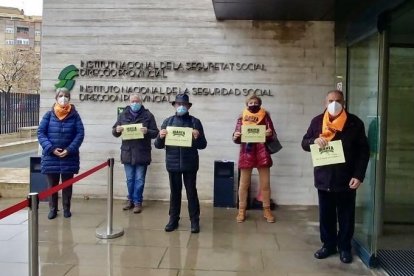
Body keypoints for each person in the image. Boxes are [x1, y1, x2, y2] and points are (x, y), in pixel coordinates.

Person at [301, 90, 369, 264]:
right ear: (325, 102)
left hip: (346, 178)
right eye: (331, 100)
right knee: (326, 215)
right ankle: (328, 245)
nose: (334, 103)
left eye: (338, 100)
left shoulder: (354, 123)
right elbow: (304, 143)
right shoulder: (317, 121)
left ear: (344, 102)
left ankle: (344, 247)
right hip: (324, 177)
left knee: (346, 215)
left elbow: (363, 151)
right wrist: (313, 141)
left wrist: (359, 175)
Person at [154, 93, 207, 233]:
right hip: (172, 163)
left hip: (190, 163)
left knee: (191, 192)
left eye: (184, 104)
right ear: (174, 106)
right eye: (179, 104)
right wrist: (160, 137)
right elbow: (158, 145)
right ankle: (173, 219)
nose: (181, 106)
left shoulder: (195, 122)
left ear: (188, 106)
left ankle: (194, 221)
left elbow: (203, 145)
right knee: (174, 192)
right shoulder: (168, 122)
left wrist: (198, 136)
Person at [37, 87, 85, 219]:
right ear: (56, 98)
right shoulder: (49, 115)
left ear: (69, 98)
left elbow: (80, 134)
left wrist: (69, 150)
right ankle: (53, 208)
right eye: (61, 95)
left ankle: (66, 208)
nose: (63, 98)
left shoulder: (75, 115)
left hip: (68, 156)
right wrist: (51, 148)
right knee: (52, 185)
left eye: (66, 96)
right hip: (51, 156)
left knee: (67, 185)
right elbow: (41, 133)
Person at [232, 94, 277, 223]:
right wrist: (235, 136)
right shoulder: (241, 117)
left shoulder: (265, 116)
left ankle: (267, 209)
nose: (253, 105)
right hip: (247, 152)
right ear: (247, 104)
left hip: (262, 152)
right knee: (243, 184)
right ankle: (241, 210)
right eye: (250, 103)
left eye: (255, 102)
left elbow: (271, 133)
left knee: (265, 184)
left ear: (259, 103)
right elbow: (236, 135)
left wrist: (269, 134)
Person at [112, 93, 159, 213]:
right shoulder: (123, 114)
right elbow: (114, 131)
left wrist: (147, 131)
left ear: (141, 102)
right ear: (129, 102)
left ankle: (138, 202)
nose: (134, 103)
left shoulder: (148, 115)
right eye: (132, 101)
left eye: (137, 101)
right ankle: (130, 200)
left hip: (142, 153)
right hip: (127, 153)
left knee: (139, 180)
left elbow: (155, 133)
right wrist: (117, 130)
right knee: (129, 179)